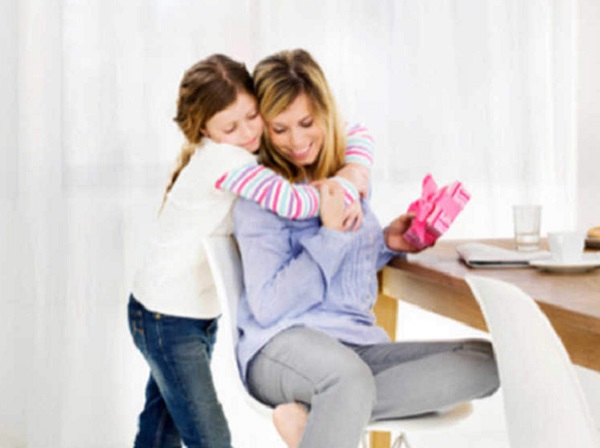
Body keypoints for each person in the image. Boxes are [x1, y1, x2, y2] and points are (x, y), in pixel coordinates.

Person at [232, 49, 500, 448]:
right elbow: (270, 305)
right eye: (280, 129)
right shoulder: (263, 198)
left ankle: (324, 415)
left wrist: (388, 242)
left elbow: (346, 269)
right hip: (282, 345)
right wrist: (330, 235)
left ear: (326, 114)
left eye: (306, 123)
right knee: (346, 380)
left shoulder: (347, 178)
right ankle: (336, 402)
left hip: (356, 345)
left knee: (489, 362)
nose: (297, 141)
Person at [127, 54, 374, 448]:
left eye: (252, 116)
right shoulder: (224, 160)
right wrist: (343, 189)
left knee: (162, 428)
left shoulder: (243, 152)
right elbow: (293, 203)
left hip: (185, 313)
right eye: (230, 127)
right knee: (209, 437)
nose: (246, 133)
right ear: (205, 131)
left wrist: (355, 169)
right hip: (166, 317)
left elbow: (355, 131)